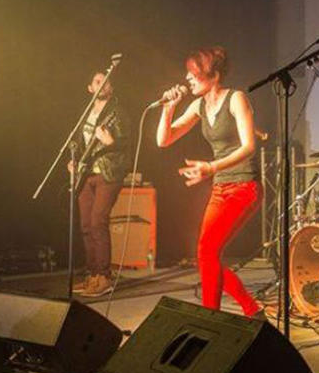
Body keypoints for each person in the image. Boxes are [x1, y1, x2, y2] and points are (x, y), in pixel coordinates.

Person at [155, 46, 263, 318]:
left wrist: (211, 167)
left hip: (244, 185)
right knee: (206, 255)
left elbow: (249, 146)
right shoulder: (198, 106)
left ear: (213, 75)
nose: (187, 79)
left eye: (193, 74)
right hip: (220, 186)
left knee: (207, 252)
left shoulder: (236, 99)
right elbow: (163, 140)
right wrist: (168, 109)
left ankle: (210, 318)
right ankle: (251, 310)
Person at [71, 71, 130, 298]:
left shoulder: (117, 113)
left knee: (98, 221)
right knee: (86, 225)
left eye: (106, 81)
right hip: (86, 174)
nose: (103, 83)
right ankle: (92, 274)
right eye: (98, 81)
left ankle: (104, 277)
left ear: (111, 88)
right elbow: (78, 142)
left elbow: (127, 142)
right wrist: (73, 160)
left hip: (108, 172)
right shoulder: (85, 113)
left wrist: (111, 142)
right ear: (90, 88)